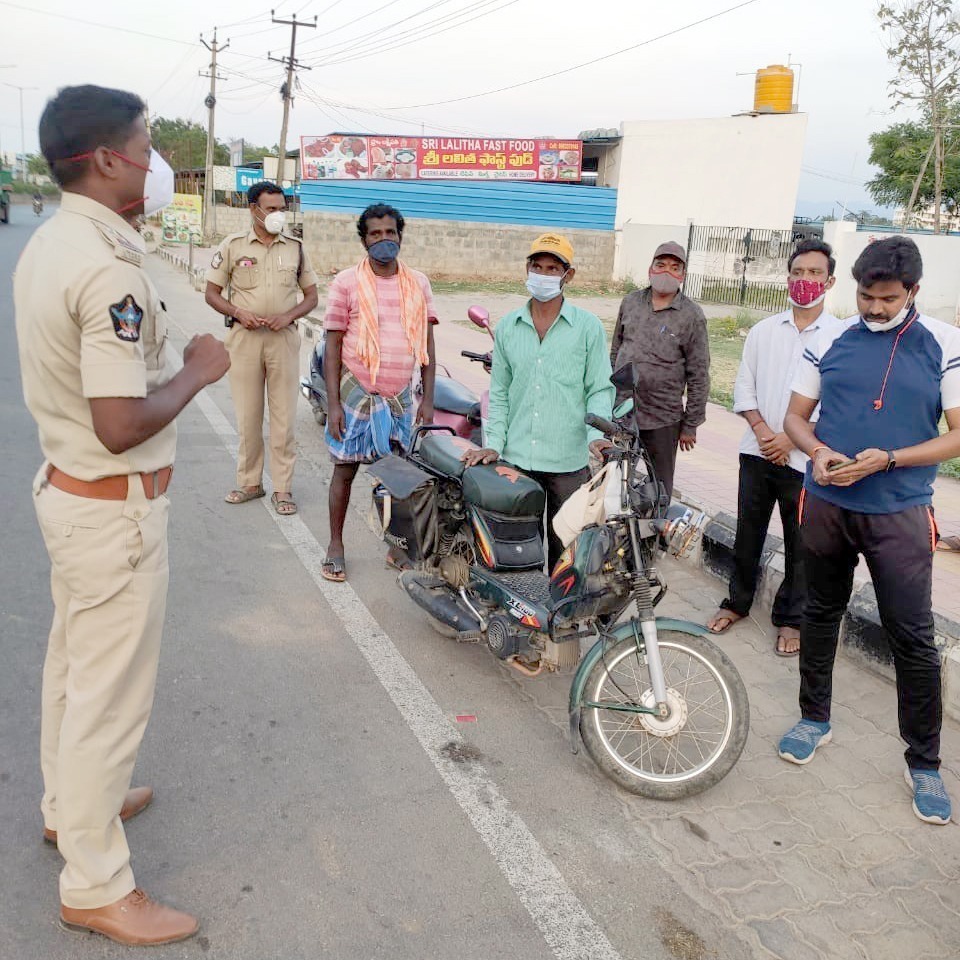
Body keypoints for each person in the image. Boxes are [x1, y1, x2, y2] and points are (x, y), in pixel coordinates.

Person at [14, 84, 230, 944]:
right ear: (105, 159)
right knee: (108, 701)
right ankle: (97, 884)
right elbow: (119, 424)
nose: (156, 162)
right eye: (145, 146)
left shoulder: (58, 239)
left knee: (74, 675)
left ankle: (72, 809)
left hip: (73, 500)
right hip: (113, 511)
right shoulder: (106, 267)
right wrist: (199, 371)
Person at [778, 236, 960, 826]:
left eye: (886, 298)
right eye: (864, 296)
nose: (873, 309)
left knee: (911, 635)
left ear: (912, 292)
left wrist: (889, 459)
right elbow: (795, 419)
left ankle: (925, 763)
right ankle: (814, 718)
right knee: (819, 611)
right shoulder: (828, 338)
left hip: (900, 511)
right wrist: (819, 450)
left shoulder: (945, 345)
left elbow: (958, 434)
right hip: (828, 503)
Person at [707, 239, 841, 656]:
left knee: (801, 542)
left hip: (806, 459)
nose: (806, 281)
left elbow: (839, 401)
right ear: (788, 278)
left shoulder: (841, 336)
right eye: (798, 273)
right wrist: (766, 432)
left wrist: (791, 437)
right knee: (748, 533)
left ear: (830, 281)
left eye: (815, 274)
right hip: (757, 451)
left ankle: (790, 618)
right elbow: (743, 386)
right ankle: (737, 603)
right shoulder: (764, 330)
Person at [462, 233, 614, 570]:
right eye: (537, 267)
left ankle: (561, 618)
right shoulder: (508, 328)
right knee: (519, 551)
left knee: (566, 555)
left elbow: (599, 389)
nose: (543, 274)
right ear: (526, 270)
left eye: (552, 268)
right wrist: (494, 445)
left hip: (567, 462)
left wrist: (597, 437)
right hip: (517, 461)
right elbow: (499, 393)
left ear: (567, 275)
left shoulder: (587, 328)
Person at [321, 203, 437, 582]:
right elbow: (333, 344)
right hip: (357, 392)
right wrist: (334, 403)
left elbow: (427, 344)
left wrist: (429, 400)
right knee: (345, 471)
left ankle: (397, 548)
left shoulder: (418, 283)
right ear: (364, 240)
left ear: (400, 237)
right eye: (375, 234)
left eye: (390, 233)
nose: (384, 240)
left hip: (401, 396)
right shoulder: (346, 283)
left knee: (397, 477)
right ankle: (336, 546)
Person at [205, 181, 319, 516]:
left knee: (284, 418)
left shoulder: (295, 248)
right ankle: (250, 483)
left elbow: (311, 296)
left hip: (283, 340)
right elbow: (211, 293)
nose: (277, 215)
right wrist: (238, 311)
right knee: (248, 415)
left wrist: (289, 316)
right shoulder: (233, 245)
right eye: (270, 209)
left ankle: (283, 489)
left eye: (281, 208)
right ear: (253, 208)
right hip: (244, 340)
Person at [609, 241, 710, 501]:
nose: (666, 272)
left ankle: (656, 537)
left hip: (663, 418)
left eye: (675, 267)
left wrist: (691, 424)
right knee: (615, 481)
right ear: (650, 268)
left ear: (683, 276)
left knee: (659, 486)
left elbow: (699, 373)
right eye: (661, 265)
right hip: (623, 412)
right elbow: (615, 350)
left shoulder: (691, 315)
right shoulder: (631, 302)